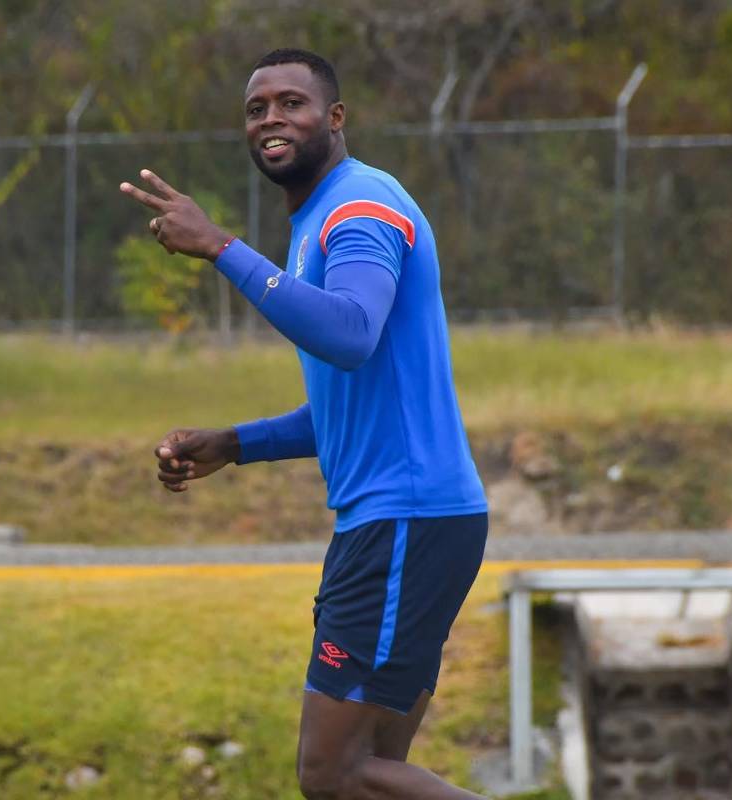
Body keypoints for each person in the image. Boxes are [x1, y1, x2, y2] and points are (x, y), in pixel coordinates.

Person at [120, 48, 490, 800]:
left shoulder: (360, 209)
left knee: (333, 775)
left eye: (292, 103)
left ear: (336, 118)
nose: (272, 119)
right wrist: (235, 443)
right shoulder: (319, 218)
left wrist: (222, 247)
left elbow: (350, 332)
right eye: (257, 109)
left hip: (404, 525)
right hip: (410, 523)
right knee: (374, 770)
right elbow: (349, 407)